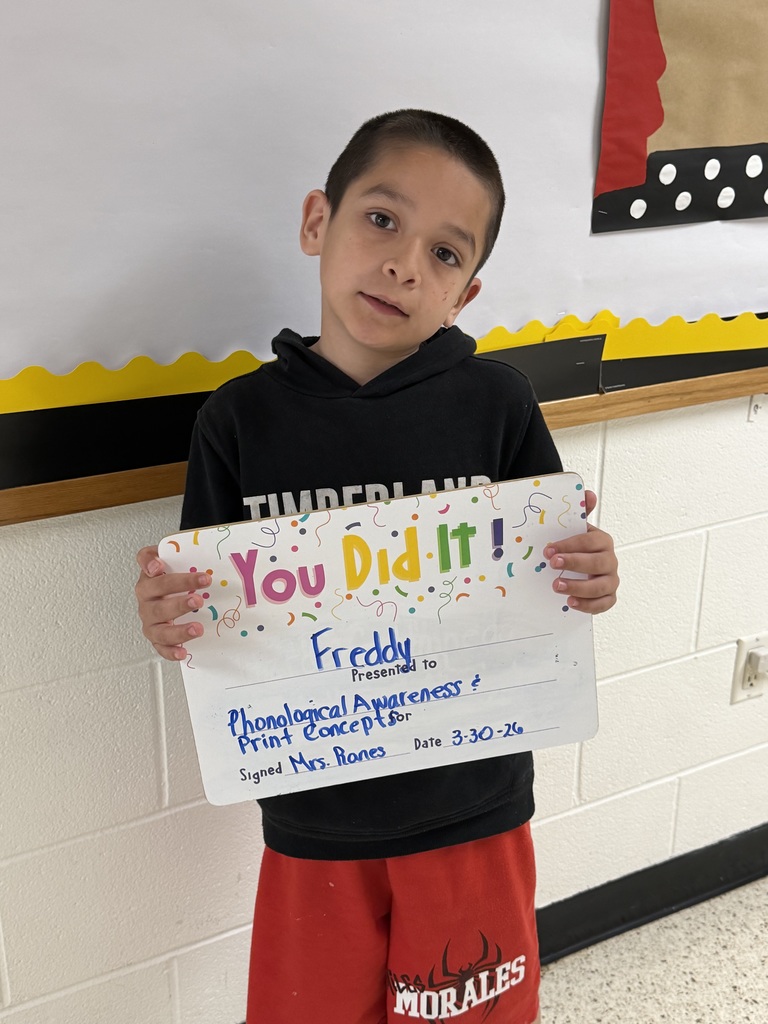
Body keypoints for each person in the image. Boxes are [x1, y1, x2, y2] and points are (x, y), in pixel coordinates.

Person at [135, 109, 619, 1024]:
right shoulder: (236, 423)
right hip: (316, 815)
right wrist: (170, 617)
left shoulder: (499, 405)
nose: (404, 264)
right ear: (318, 221)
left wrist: (589, 574)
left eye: (444, 253)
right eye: (383, 220)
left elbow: (555, 579)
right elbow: (207, 621)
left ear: (466, 294)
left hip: (473, 805)